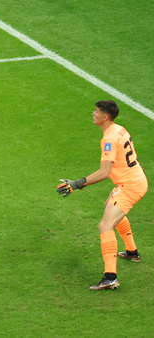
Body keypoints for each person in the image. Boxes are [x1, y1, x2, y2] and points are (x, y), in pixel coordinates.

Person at [57, 100, 148, 290]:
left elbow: (104, 172)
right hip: (134, 179)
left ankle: (110, 277)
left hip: (129, 185)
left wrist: (77, 183)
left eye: (96, 111)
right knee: (110, 206)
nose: (93, 113)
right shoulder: (119, 129)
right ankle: (132, 252)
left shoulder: (108, 139)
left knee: (105, 225)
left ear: (105, 117)